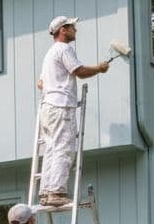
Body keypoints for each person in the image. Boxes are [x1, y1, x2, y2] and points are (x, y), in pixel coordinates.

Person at [37, 16, 109, 207]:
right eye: (72, 27)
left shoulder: (49, 54)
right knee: (64, 147)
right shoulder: (64, 49)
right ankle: (56, 192)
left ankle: (46, 192)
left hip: (48, 108)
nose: (75, 30)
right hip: (61, 106)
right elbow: (79, 71)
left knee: (52, 148)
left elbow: (40, 83)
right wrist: (99, 68)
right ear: (63, 30)